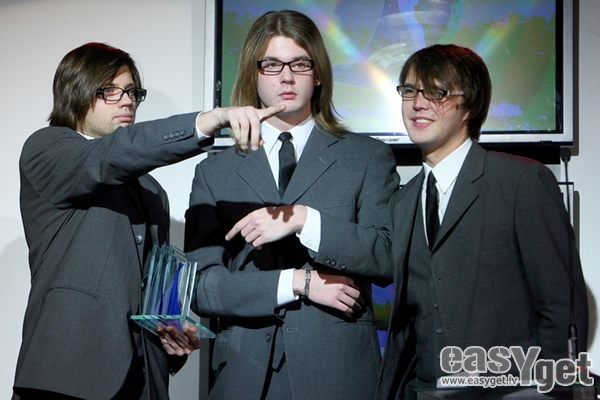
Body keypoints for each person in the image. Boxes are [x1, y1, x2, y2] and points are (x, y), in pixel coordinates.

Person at [14, 42, 283, 400]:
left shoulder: (152, 190)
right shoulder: (48, 149)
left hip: (143, 382)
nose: (126, 101)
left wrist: (172, 333)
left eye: (131, 92)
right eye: (110, 91)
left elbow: (157, 287)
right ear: (75, 91)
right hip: (67, 377)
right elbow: (110, 156)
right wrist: (208, 120)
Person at [184, 10, 400, 400]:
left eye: (300, 64)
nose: (286, 76)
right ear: (252, 74)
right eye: (272, 65)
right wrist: (297, 283)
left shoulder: (367, 157)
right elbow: (202, 289)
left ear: (318, 74)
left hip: (338, 375)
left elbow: (387, 256)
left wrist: (305, 220)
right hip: (243, 377)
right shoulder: (214, 172)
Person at [376, 44, 589, 399]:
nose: (418, 103)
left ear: (470, 105)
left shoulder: (520, 182)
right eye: (410, 91)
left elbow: (561, 306)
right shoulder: (403, 201)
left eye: (436, 92)